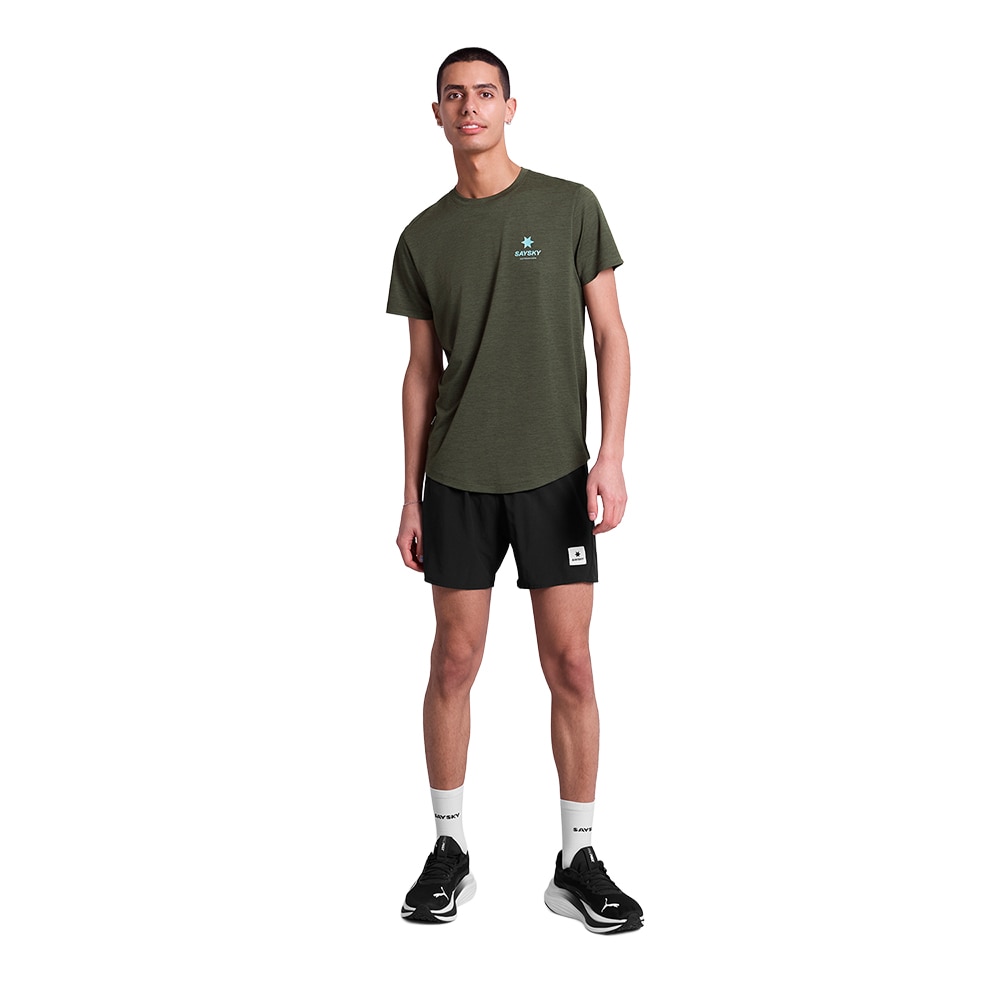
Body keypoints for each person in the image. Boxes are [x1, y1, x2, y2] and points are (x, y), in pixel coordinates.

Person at [387, 47, 642, 934]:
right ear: (437, 113)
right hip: (457, 478)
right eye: (454, 95)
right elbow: (420, 372)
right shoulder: (422, 236)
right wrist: (410, 495)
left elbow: (611, 335)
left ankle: (577, 861)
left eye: (485, 93)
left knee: (570, 664)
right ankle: (448, 849)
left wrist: (611, 456)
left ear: (510, 107)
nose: (470, 107)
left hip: (556, 475)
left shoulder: (570, 207)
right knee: (453, 664)